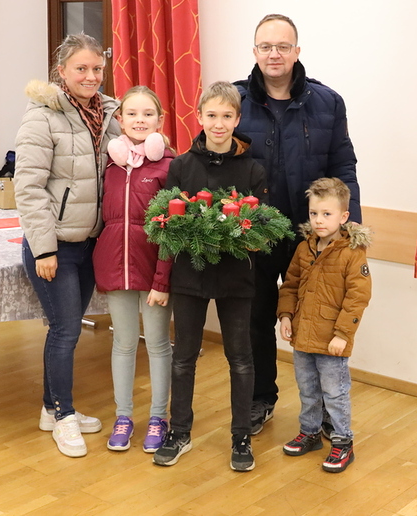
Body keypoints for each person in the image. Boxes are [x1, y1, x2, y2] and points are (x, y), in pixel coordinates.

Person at [233, 14, 362, 436]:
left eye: (283, 46)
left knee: (317, 319)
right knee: (255, 319)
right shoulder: (235, 101)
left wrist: (350, 228)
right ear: (255, 52)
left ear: (296, 52)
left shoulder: (327, 102)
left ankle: (325, 412)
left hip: (314, 238)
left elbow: (343, 165)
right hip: (253, 235)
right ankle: (260, 399)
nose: (274, 54)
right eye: (266, 46)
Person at [14, 33, 120, 458]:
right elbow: (29, 188)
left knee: (67, 329)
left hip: (91, 243)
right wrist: (43, 250)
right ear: (61, 72)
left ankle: (49, 408)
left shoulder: (109, 112)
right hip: (54, 244)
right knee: (66, 330)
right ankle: (64, 417)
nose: (91, 76)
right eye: (81, 68)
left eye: (97, 68)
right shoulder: (41, 117)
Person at [152, 81, 267, 472]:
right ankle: (179, 431)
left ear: (237, 119)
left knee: (240, 358)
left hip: (237, 280)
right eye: (212, 116)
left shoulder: (252, 168)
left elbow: (259, 227)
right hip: (190, 277)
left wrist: (246, 235)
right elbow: (167, 223)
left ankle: (241, 436)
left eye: (227, 116)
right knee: (183, 357)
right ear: (199, 117)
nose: (219, 124)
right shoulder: (181, 167)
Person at [92, 86, 174, 453]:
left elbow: (175, 228)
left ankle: (159, 417)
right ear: (120, 120)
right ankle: (123, 416)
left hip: (155, 274)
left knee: (157, 344)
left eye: (148, 114)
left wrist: (163, 279)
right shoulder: (109, 164)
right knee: (123, 343)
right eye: (132, 114)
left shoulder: (172, 165)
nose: (140, 120)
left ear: (159, 120)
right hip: (117, 269)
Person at [277, 177, 371, 473]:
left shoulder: (352, 253)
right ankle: (310, 432)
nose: (319, 221)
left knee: (334, 391)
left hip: (332, 341)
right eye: (314, 213)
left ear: (343, 217)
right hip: (303, 337)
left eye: (326, 214)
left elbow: (358, 297)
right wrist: (285, 316)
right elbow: (290, 285)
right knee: (307, 389)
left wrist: (343, 334)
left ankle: (343, 442)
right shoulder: (304, 249)